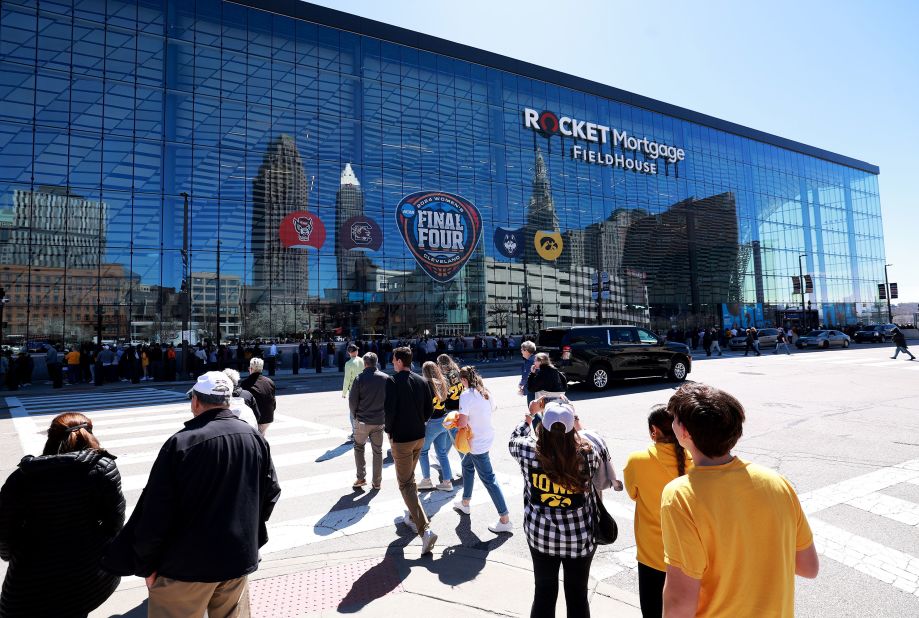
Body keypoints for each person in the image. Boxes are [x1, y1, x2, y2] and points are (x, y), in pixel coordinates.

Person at [102, 372, 282, 618]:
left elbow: (155, 513)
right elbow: (271, 492)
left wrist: (146, 563)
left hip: (185, 567)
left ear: (196, 401)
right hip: (237, 560)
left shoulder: (181, 443)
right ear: (227, 401)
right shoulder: (253, 437)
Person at [660, 383, 818, 617]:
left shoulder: (681, 496)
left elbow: (679, 602)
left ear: (684, 433)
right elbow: (809, 567)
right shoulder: (776, 482)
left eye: (673, 419)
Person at [0, 412, 125, 617]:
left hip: (30, 577)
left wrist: (12, 555)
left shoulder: (22, 477)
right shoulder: (102, 468)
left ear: (51, 437)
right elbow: (115, 522)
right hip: (82, 575)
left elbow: (5, 531)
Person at [509, 400, 602, 618]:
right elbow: (593, 445)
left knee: (543, 592)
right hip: (579, 538)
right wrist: (577, 424)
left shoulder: (527, 451)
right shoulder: (588, 453)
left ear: (543, 427)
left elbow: (513, 439)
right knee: (578, 595)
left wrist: (528, 417)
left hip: (541, 536)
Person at [623, 405, 692, 618]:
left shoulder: (638, 460)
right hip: (688, 556)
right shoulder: (695, 460)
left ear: (654, 431)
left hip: (651, 554)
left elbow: (633, 494)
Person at [384, 346, 438, 554]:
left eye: (393, 359)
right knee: (410, 480)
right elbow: (430, 409)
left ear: (398, 361)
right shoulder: (421, 380)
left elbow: (389, 411)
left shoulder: (392, 381)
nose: (392, 362)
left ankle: (425, 530)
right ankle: (411, 514)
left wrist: (389, 431)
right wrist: (420, 421)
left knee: (405, 483)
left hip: (402, 439)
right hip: (419, 436)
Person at [452, 366, 512, 533]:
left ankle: (504, 518)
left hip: (476, 442)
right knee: (466, 465)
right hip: (485, 436)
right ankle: (465, 502)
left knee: (489, 480)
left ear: (464, 380)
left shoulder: (465, 395)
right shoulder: (485, 391)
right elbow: (493, 408)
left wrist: (455, 419)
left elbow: (463, 423)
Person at [349, 352, 388, 490]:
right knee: (377, 451)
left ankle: (361, 478)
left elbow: (352, 401)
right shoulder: (385, 378)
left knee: (359, 447)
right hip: (379, 421)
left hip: (363, 421)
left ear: (365, 363)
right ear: (376, 362)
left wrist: (355, 416)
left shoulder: (359, 378)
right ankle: (377, 482)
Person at [416, 361, 456, 491]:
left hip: (432, 422)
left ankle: (426, 479)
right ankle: (447, 481)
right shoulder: (443, 381)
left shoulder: (425, 384)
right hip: (443, 420)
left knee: (423, 451)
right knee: (442, 453)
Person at [240, 357, 276, 435]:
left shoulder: (245, 383)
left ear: (251, 369)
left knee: (257, 437)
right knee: (261, 435)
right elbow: (273, 402)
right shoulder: (270, 382)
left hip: (255, 417)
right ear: (261, 369)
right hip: (268, 417)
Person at [342, 344, 363, 441]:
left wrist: (344, 392)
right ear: (356, 351)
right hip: (364, 389)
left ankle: (355, 433)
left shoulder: (348, 363)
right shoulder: (362, 360)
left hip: (354, 390)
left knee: (353, 412)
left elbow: (347, 379)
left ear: (349, 352)